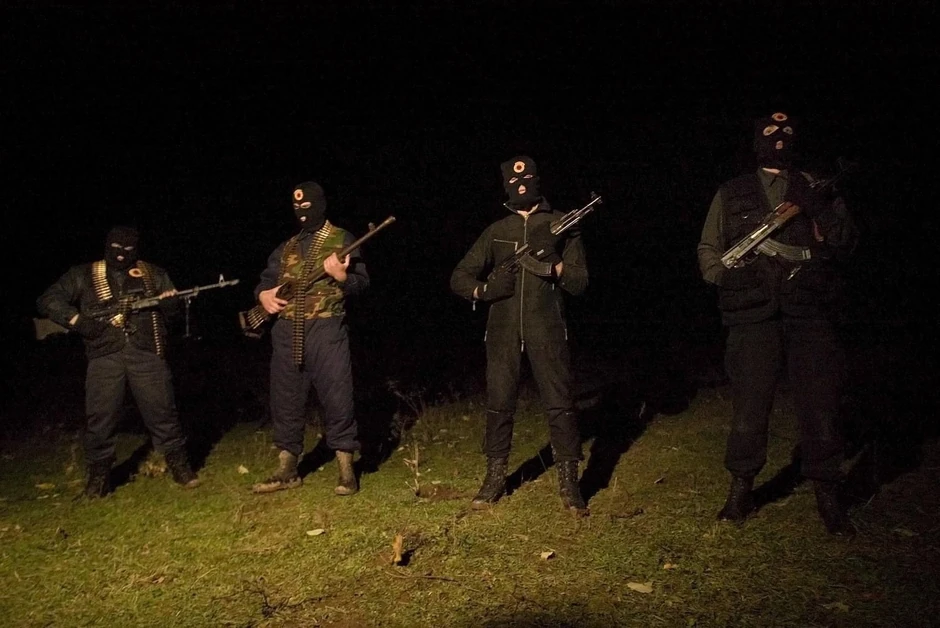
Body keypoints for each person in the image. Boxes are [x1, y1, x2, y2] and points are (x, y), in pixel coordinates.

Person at [697, 111, 859, 535]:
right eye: (770, 132)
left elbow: (846, 243)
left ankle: (827, 490)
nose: (780, 139)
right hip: (753, 312)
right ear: (756, 141)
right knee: (750, 406)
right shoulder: (733, 191)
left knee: (821, 403)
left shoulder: (815, 186)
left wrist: (818, 207)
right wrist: (724, 277)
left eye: (788, 132)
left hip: (811, 308)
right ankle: (741, 488)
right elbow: (709, 248)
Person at [450, 155, 589, 513]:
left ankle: (570, 482)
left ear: (537, 180)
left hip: (548, 328)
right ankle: (495, 477)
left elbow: (580, 282)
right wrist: (484, 290)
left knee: (560, 403)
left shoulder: (561, 224)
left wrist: (555, 264)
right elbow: (459, 277)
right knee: (499, 403)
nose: (521, 185)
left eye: (527, 179)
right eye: (514, 182)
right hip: (502, 331)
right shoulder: (497, 230)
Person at [36, 226, 200, 498]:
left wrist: (172, 306)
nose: (122, 254)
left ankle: (180, 467)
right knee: (100, 418)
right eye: (116, 248)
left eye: (128, 249)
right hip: (104, 354)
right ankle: (98, 479)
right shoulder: (84, 274)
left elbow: (173, 317)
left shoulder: (153, 274)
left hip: (146, 352)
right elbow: (48, 300)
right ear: (106, 246)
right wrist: (78, 321)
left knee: (162, 412)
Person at [251, 181, 369, 496]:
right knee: (286, 399)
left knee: (338, 397)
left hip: (326, 328)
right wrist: (264, 296)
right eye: (297, 207)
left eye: (308, 206)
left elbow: (361, 284)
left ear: (321, 204)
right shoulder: (287, 247)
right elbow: (265, 281)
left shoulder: (342, 239)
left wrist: (342, 276)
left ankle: (346, 469)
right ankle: (287, 469)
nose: (302, 212)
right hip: (286, 331)